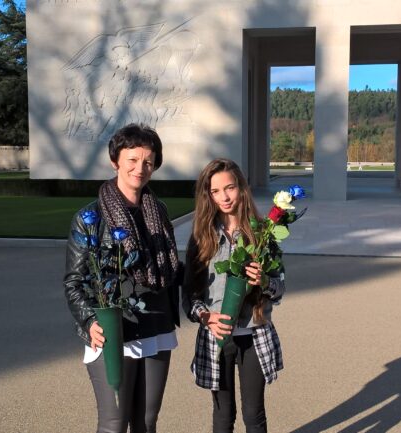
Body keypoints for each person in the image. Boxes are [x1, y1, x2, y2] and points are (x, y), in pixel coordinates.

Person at [63, 123, 182, 433]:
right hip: (114, 330)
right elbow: (74, 281)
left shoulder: (159, 211)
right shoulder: (90, 218)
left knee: (146, 422)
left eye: (148, 161)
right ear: (115, 161)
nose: (140, 168)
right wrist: (90, 320)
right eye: (132, 159)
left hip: (157, 325)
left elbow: (170, 269)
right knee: (114, 424)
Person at [183, 159, 285, 433]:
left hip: (254, 334)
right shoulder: (201, 236)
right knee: (222, 415)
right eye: (215, 191)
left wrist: (264, 281)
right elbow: (189, 294)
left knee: (254, 415)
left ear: (242, 187)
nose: (224, 197)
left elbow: (280, 288)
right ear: (208, 195)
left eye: (230, 187)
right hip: (216, 335)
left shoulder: (263, 234)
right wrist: (205, 316)